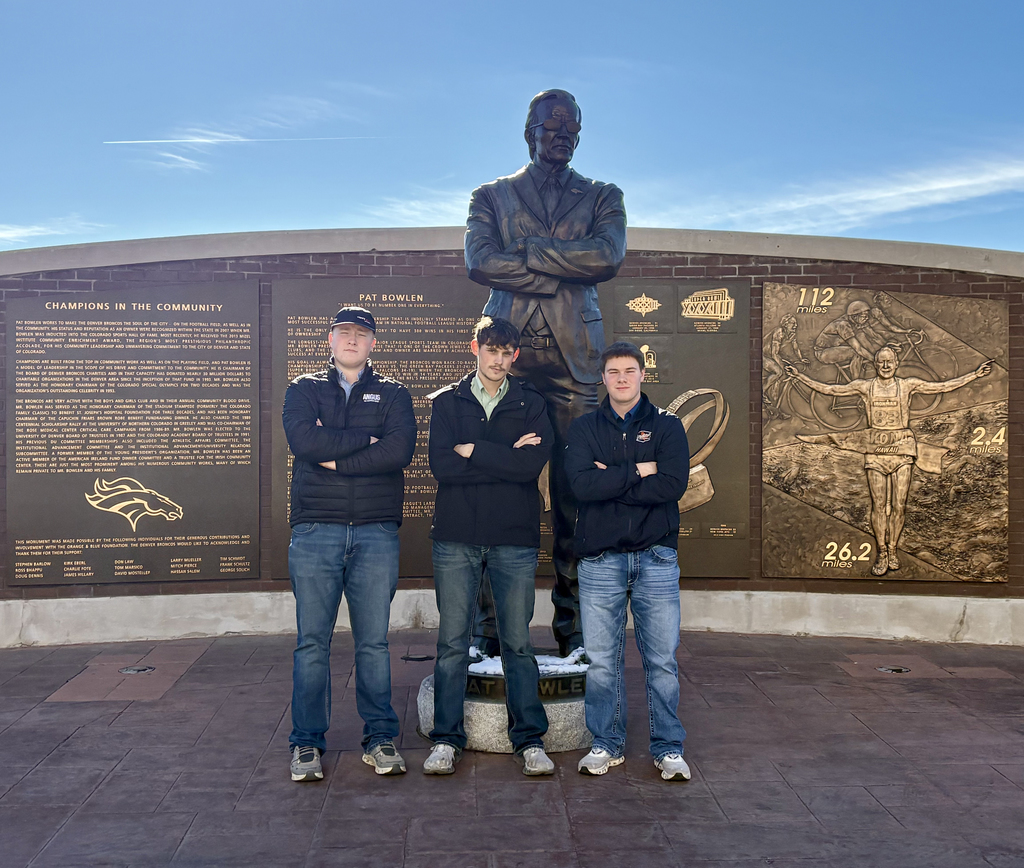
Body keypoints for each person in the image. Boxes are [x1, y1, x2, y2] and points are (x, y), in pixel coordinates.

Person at [464, 88, 627, 657]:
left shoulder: (604, 195)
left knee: (575, 498)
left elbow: (606, 258)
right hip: (505, 358)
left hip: (576, 362)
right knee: (494, 490)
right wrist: (561, 266)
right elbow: (480, 262)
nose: (562, 135)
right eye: (552, 125)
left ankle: (575, 634)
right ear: (529, 130)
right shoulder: (491, 195)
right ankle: (488, 635)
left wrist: (527, 255)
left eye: (572, 128)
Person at [282, 306, 416, 781]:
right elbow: (304, 443)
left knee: (374, 644)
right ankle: (305, 744)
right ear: (330, 340)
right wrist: (366, 440)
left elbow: (398, 451)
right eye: (344, 332)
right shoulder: (303, 389)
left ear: (373, 342)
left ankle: (379, 737)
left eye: (362, 333)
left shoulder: (395, 394)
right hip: (317, 529)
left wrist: (338, 454)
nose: (352, 340)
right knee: (312, 643)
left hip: (376, 530)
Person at [423, 316, 555, 776]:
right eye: (490, 350)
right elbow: (442, 467)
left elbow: (528, 467)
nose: (498, 360)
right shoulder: (446, 403)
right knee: (453, 642)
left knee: (518, 642)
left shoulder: (531, 402)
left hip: (513, 538)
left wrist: (472, 450)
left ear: (514, 355)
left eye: (506, 352)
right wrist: (503, 453)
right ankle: (445, 738)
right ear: (474, 348)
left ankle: (529, 740)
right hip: (456, 537)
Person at [564, 341, 691, 781]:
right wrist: (640, 470)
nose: (621, 378)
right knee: (602, 661)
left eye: (629, 370)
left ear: (642, 375)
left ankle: (668, 747)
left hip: (656, 557)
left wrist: (610, 478)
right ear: (603, 378)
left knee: (662, 661)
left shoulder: (668, 427)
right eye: (613, 371)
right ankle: (606, 743)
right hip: (601, 559)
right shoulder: (583, 429)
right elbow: (581, 486)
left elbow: (672, 485)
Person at [786, 347, 991, 576]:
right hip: (875, 451)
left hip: (902, 451)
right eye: (881, 362)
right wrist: (799, 376)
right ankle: (882, 551)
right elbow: (832, 389)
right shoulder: (865, 387)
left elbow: (941, 387)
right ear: (876, 364)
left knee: (899, 505)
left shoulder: (907, 385)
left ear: (896, 363)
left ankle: (894, 549)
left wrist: (975, 375)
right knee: (879, 506)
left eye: (889, 362)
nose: (885, 366)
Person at [813, 300, 876, 380]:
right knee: (857, 353)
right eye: (864, 316)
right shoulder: (843, 324)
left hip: (834, 348)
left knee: (862, 352)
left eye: (867, 316)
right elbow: (858, 349)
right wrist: (875, 360)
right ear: (855, 316)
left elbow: (865, 340)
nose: (866, 319)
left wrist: (876, 355)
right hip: (823, 352)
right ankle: (855, 383)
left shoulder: (855, 323)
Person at [763, 314, 809, 419]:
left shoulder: (791, 334)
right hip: (764, 356)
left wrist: (801, 359)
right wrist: (782, 366)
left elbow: (795, 347)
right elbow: (774, 353)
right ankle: (763, 391)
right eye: (793, 323)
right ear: (785, 324)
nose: (795, 326)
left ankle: (775, 408)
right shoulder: (778, 332)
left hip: (773, 356)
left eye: (796, 323)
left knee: (782, 377)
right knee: (778, 372)